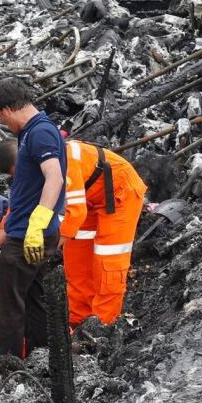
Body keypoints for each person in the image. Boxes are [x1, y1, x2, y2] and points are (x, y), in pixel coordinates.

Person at [0, 78, 66, 359]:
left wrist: (37, 223)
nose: (5, 124)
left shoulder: (40, 133)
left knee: (8, 306)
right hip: (29, 232)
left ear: (5, 110)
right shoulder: (33, 132)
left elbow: (54, 177)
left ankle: (7, 367)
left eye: (1, 118)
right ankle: (43, 358)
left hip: (27, 237)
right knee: (34, 300)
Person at [59, 138, 146, 327]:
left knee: (109, 263)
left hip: (119, 193)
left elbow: (75, 213)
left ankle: (102, 327)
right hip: (90, 197)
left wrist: (51, 244)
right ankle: (77, 320)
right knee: (77, 259)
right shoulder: (32, 163)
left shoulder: (64, 162)